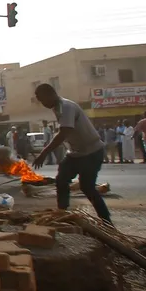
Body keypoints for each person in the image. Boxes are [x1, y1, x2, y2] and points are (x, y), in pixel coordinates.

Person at [32, 84, 112, 225]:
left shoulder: (66, 107)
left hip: (91, 152)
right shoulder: (57, 108)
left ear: (50, 94)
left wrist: (44, 153)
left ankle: (106, 221)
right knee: (61, 180)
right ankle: (62, 213)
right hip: (76, 153)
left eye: (42, 100)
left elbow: (64, 132)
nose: (42, 103)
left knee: (87, 187)